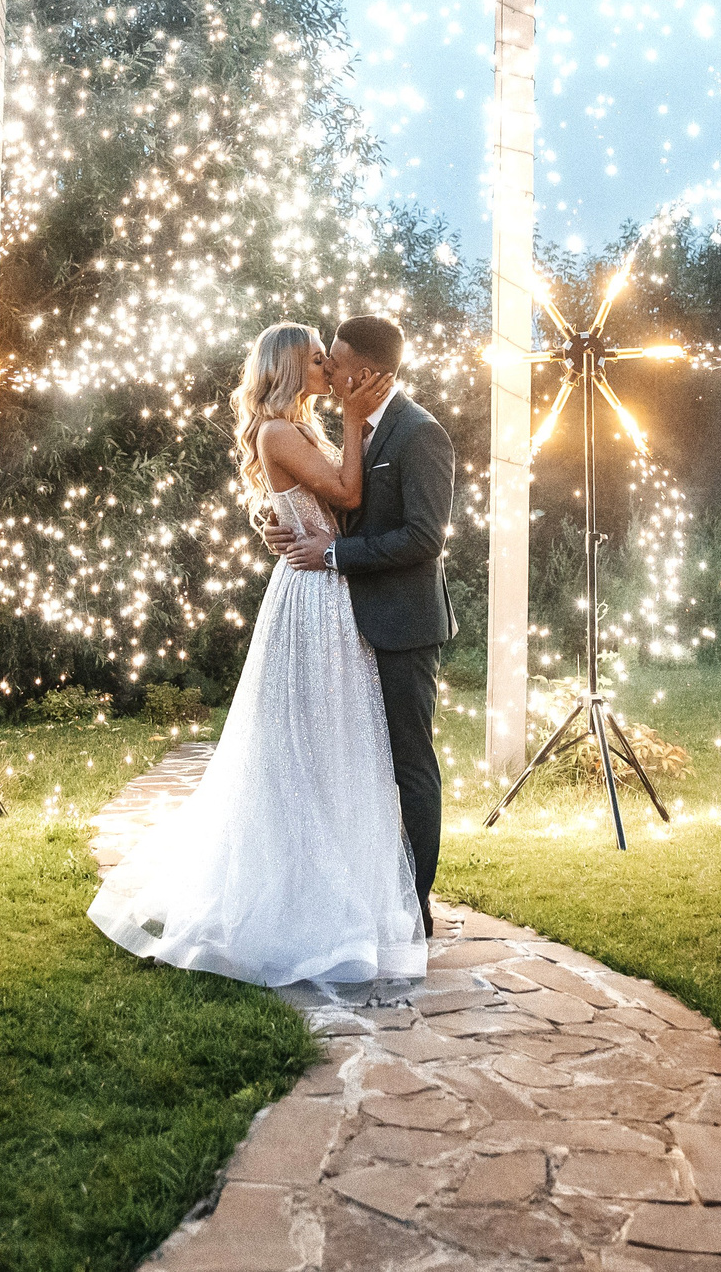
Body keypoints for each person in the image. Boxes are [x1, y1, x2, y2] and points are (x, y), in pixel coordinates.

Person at [89, 322, 423, 985]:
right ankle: (287, 902)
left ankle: (330, 892)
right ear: (291, 367)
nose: (330, 368)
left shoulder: (298, 429)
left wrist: (301, 510)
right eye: (318, 360)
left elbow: (333, 510)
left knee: (337, 743)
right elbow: (349, 495)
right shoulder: (278, 432)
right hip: (311, 596)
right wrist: (357, 422)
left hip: (328, 583)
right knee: (300, 744)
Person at [260, 315, 457, 936]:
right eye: (324, 361)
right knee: (352, 761)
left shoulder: (419, 433)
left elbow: (424, 537)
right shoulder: (339, 426)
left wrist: (333, 553)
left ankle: (413, 906)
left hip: (400, 622)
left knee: (408, 765)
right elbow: (336, 500)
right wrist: (279, 519)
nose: (332, 373)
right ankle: (355, 891)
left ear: (371, 372)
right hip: (341, 619)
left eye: (338, 362)